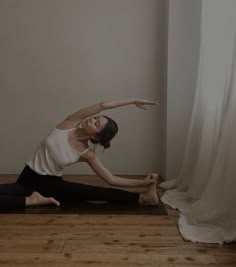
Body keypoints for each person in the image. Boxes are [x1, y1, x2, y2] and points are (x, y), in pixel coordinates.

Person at [0, 98, 160, 211]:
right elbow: (103, 105)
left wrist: (143, 183)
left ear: (96, 136)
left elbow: (110, 179)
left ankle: (144, 198)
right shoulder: (70, 123)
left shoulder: (86, 153)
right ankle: (31, 200)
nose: (91, 120)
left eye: (96, 124)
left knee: (94, 192)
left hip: (51, 184)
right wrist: (133, 101)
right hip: (26, 178)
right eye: (95, 118)